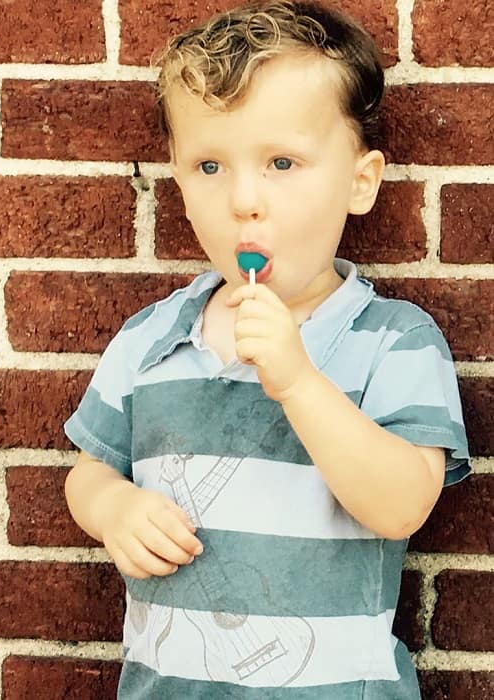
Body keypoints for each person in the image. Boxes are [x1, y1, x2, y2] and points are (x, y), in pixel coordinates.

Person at [63, 1, 471, 697]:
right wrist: (112, 510)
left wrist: (298, 381)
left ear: (359, 181)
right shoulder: (152, 338)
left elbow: (403, 504)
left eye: (281, 162)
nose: (244, 199)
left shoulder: (395, 342)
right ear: (180, 182)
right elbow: (89, 472)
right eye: (210, 166)